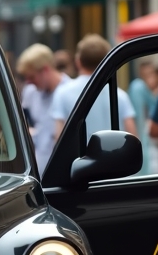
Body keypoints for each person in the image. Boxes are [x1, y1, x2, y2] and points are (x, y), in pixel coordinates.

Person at [51, 35, 136, 141]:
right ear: (107, 61)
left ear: (78, 61)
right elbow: (132, 136)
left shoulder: (62, 93)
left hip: (78, 157)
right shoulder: (121, 96)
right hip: (114, 156)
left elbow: (59, 136)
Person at [16, 43, 71, 171]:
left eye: (32, 77)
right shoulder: (31, 92)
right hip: (37, 170)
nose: (29, 82)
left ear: (45, 70)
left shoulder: (70, 92)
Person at [128, 58, 158, 174]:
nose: (150, 79)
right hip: (145, 145)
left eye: (151, 74)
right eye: (146, 75)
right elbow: (139, 121)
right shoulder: (138, 88)